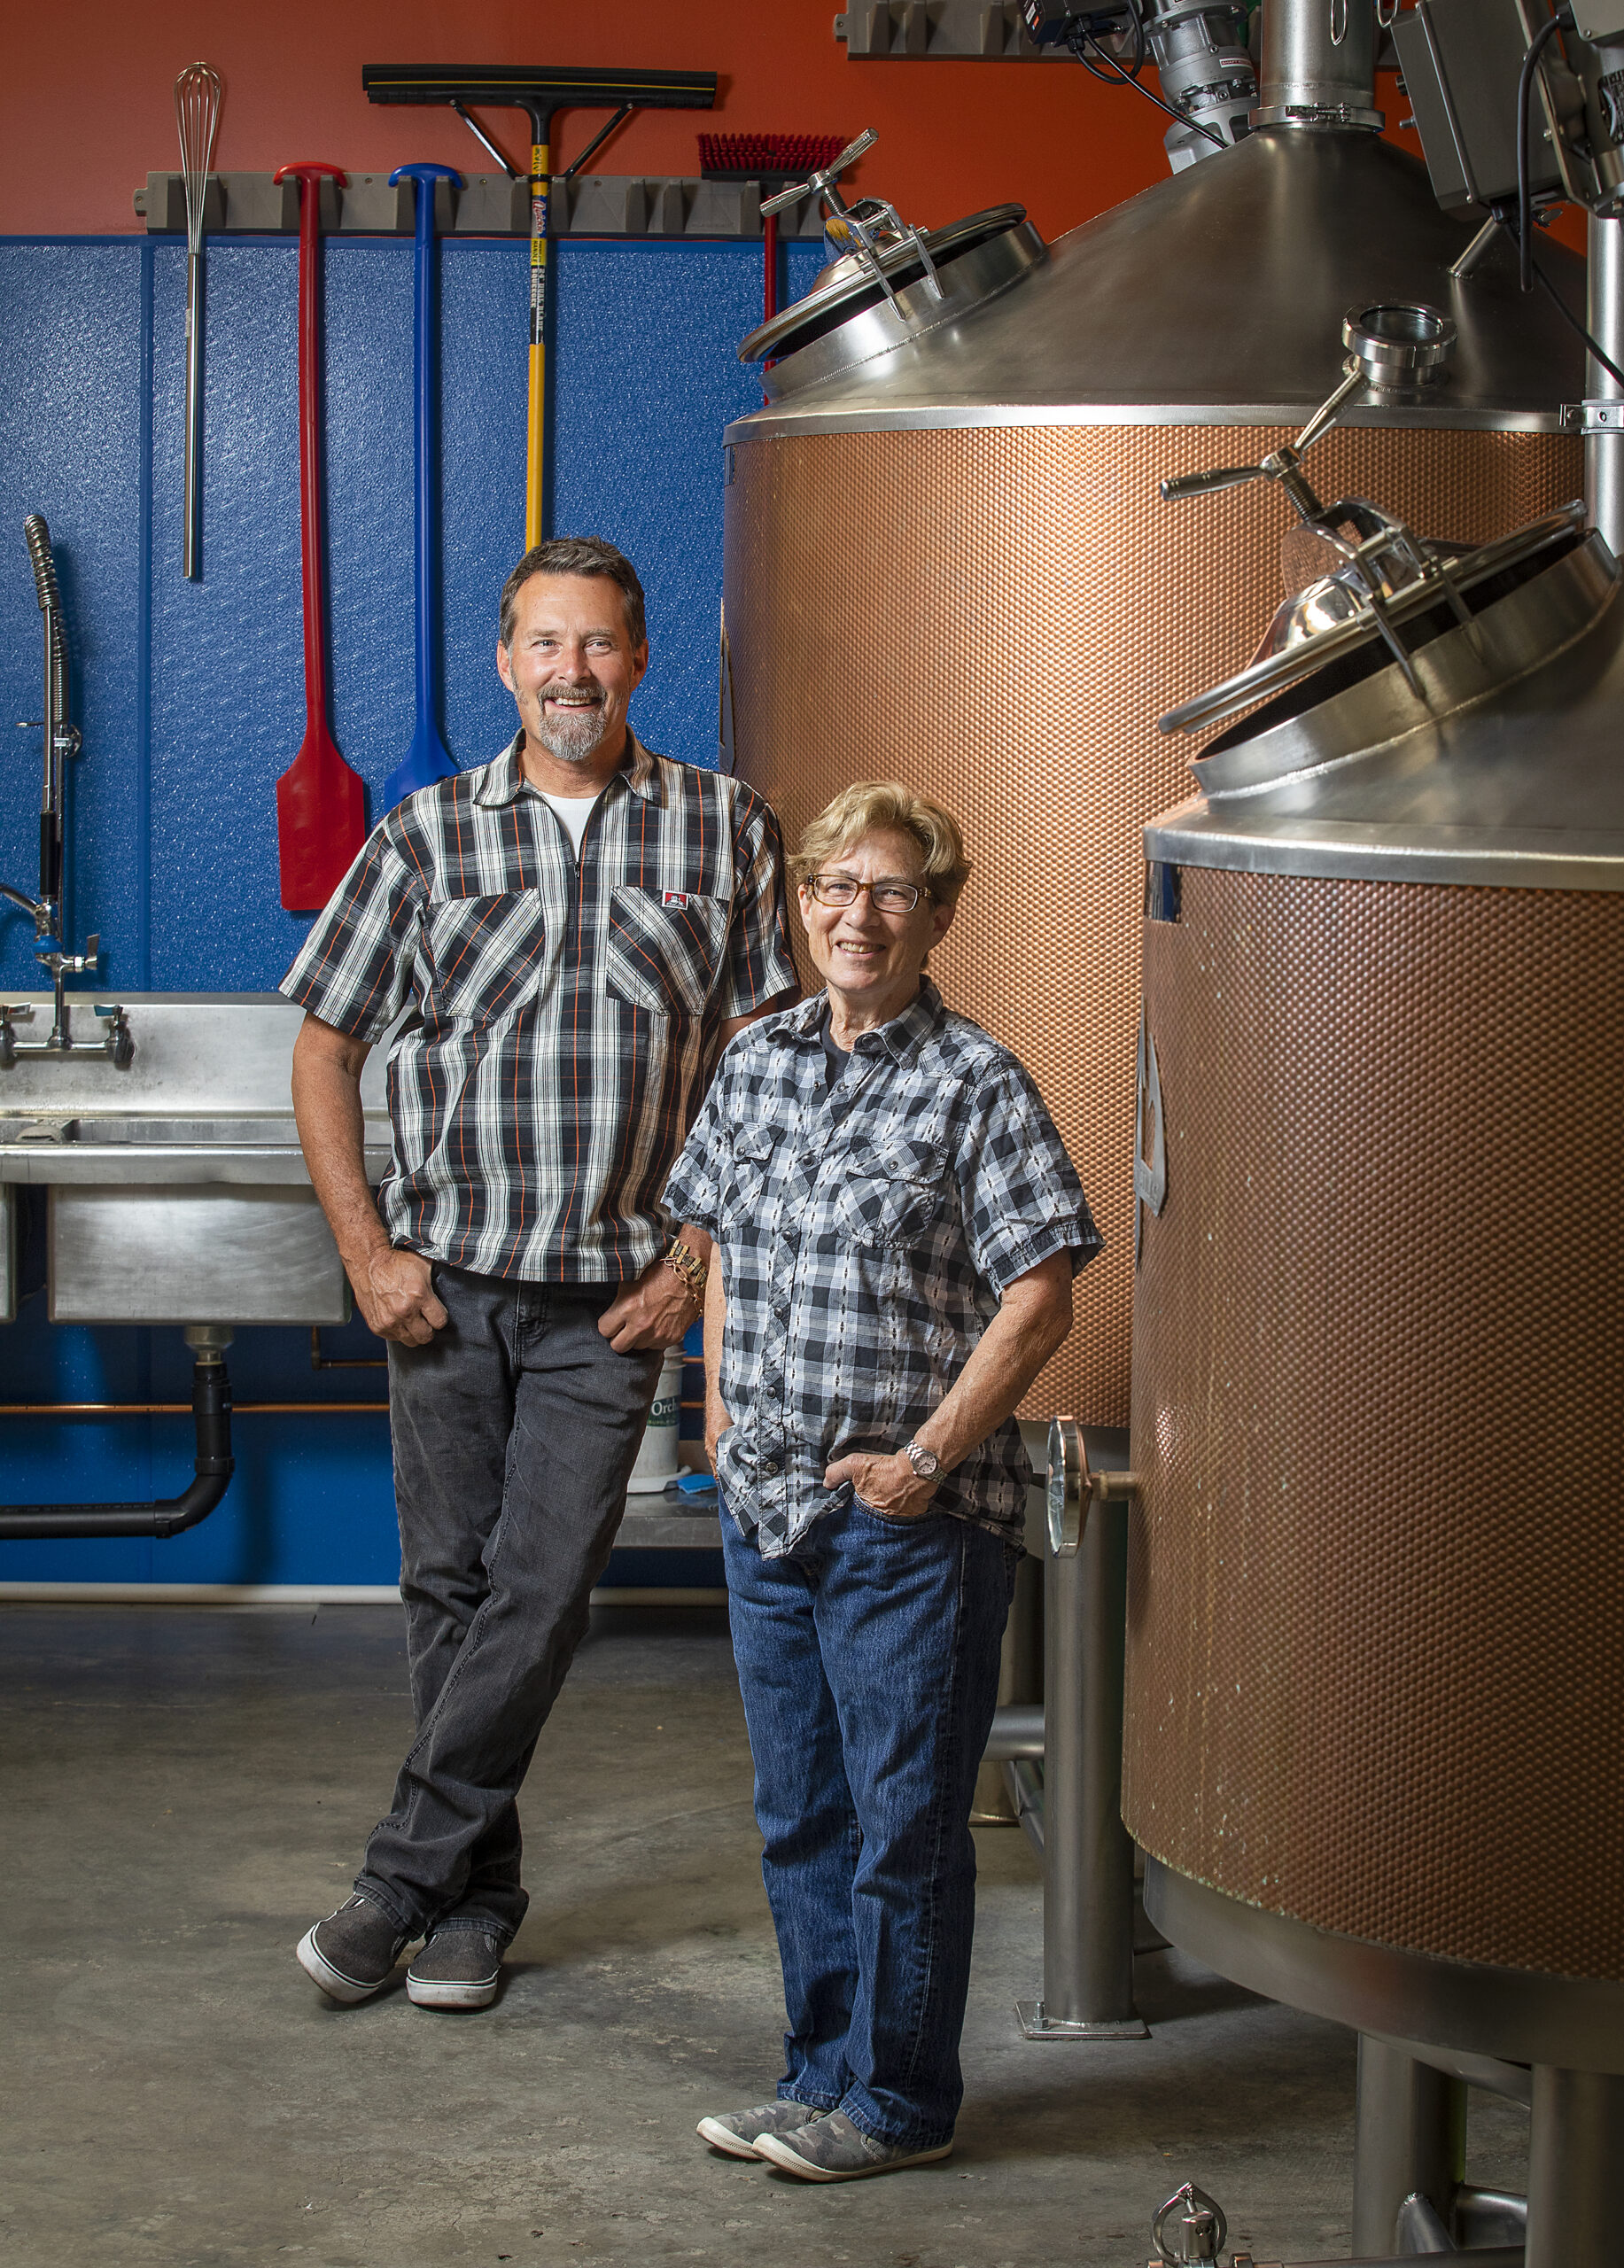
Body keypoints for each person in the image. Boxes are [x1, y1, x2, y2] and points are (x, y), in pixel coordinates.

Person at [281, 536, 796, 2012]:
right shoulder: (427, 836)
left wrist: (694, 1263)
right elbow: (325, 1042)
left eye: (601, 646)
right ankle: (473, 1900)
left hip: (613, 1292)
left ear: (641, 662)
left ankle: (395, 1877)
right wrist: (366, 1250)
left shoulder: (724, 831)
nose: (573, 673)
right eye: (545, 647)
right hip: (442, 1285)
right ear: (505, 664)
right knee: (448, 1588)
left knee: (543, 1587)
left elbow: (770, 1076)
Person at [664, 780, 1100, 2181]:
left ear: (939, 914)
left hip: (904, 1525)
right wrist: (725, 1414)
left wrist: (924, 1460)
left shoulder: (976, 1082)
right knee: (801, 1815)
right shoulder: (757, 1060)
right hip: (766, 1504)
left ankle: (898, 2105)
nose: (857, 916)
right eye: (834, 888)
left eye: (891, 891)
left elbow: (1041, 1297)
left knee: (902, 1829)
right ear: (802, 903)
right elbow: (717, 1240)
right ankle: (819, 2080)